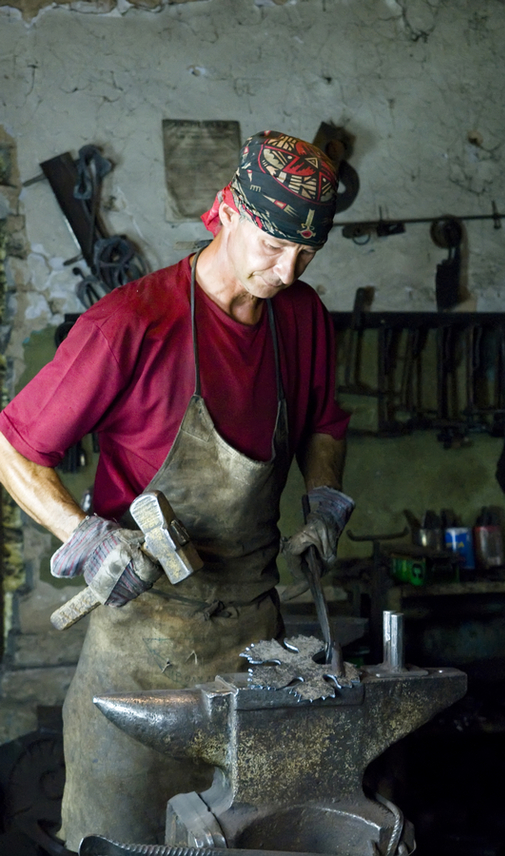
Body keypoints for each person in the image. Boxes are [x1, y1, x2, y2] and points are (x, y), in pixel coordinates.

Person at [0, 130, 353, 850]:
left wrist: (323, 503)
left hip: (257, 643)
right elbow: (13, 451)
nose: (286, 272)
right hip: (142, 651)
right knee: (123, 840)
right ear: (225, 211)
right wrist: (87, 536)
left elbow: (324, 423)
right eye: (272, 245)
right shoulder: (128, 324)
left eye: (305, 254)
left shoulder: (302, 316)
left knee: (258, 838)